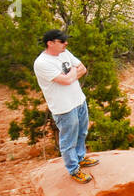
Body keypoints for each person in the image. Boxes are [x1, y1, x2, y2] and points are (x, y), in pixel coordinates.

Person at [33, 29, 97, 184]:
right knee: (69, 140)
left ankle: (81, 158)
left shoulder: (64, 53)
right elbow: (66, 80)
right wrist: (74, 72)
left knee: (82, 132)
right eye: (62, 41)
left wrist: (71, 74)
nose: (66, 43)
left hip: (79, 101)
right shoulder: (42, 63)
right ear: (50, 43)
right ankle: (74, 170)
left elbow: (83, 69)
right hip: (64, 108)